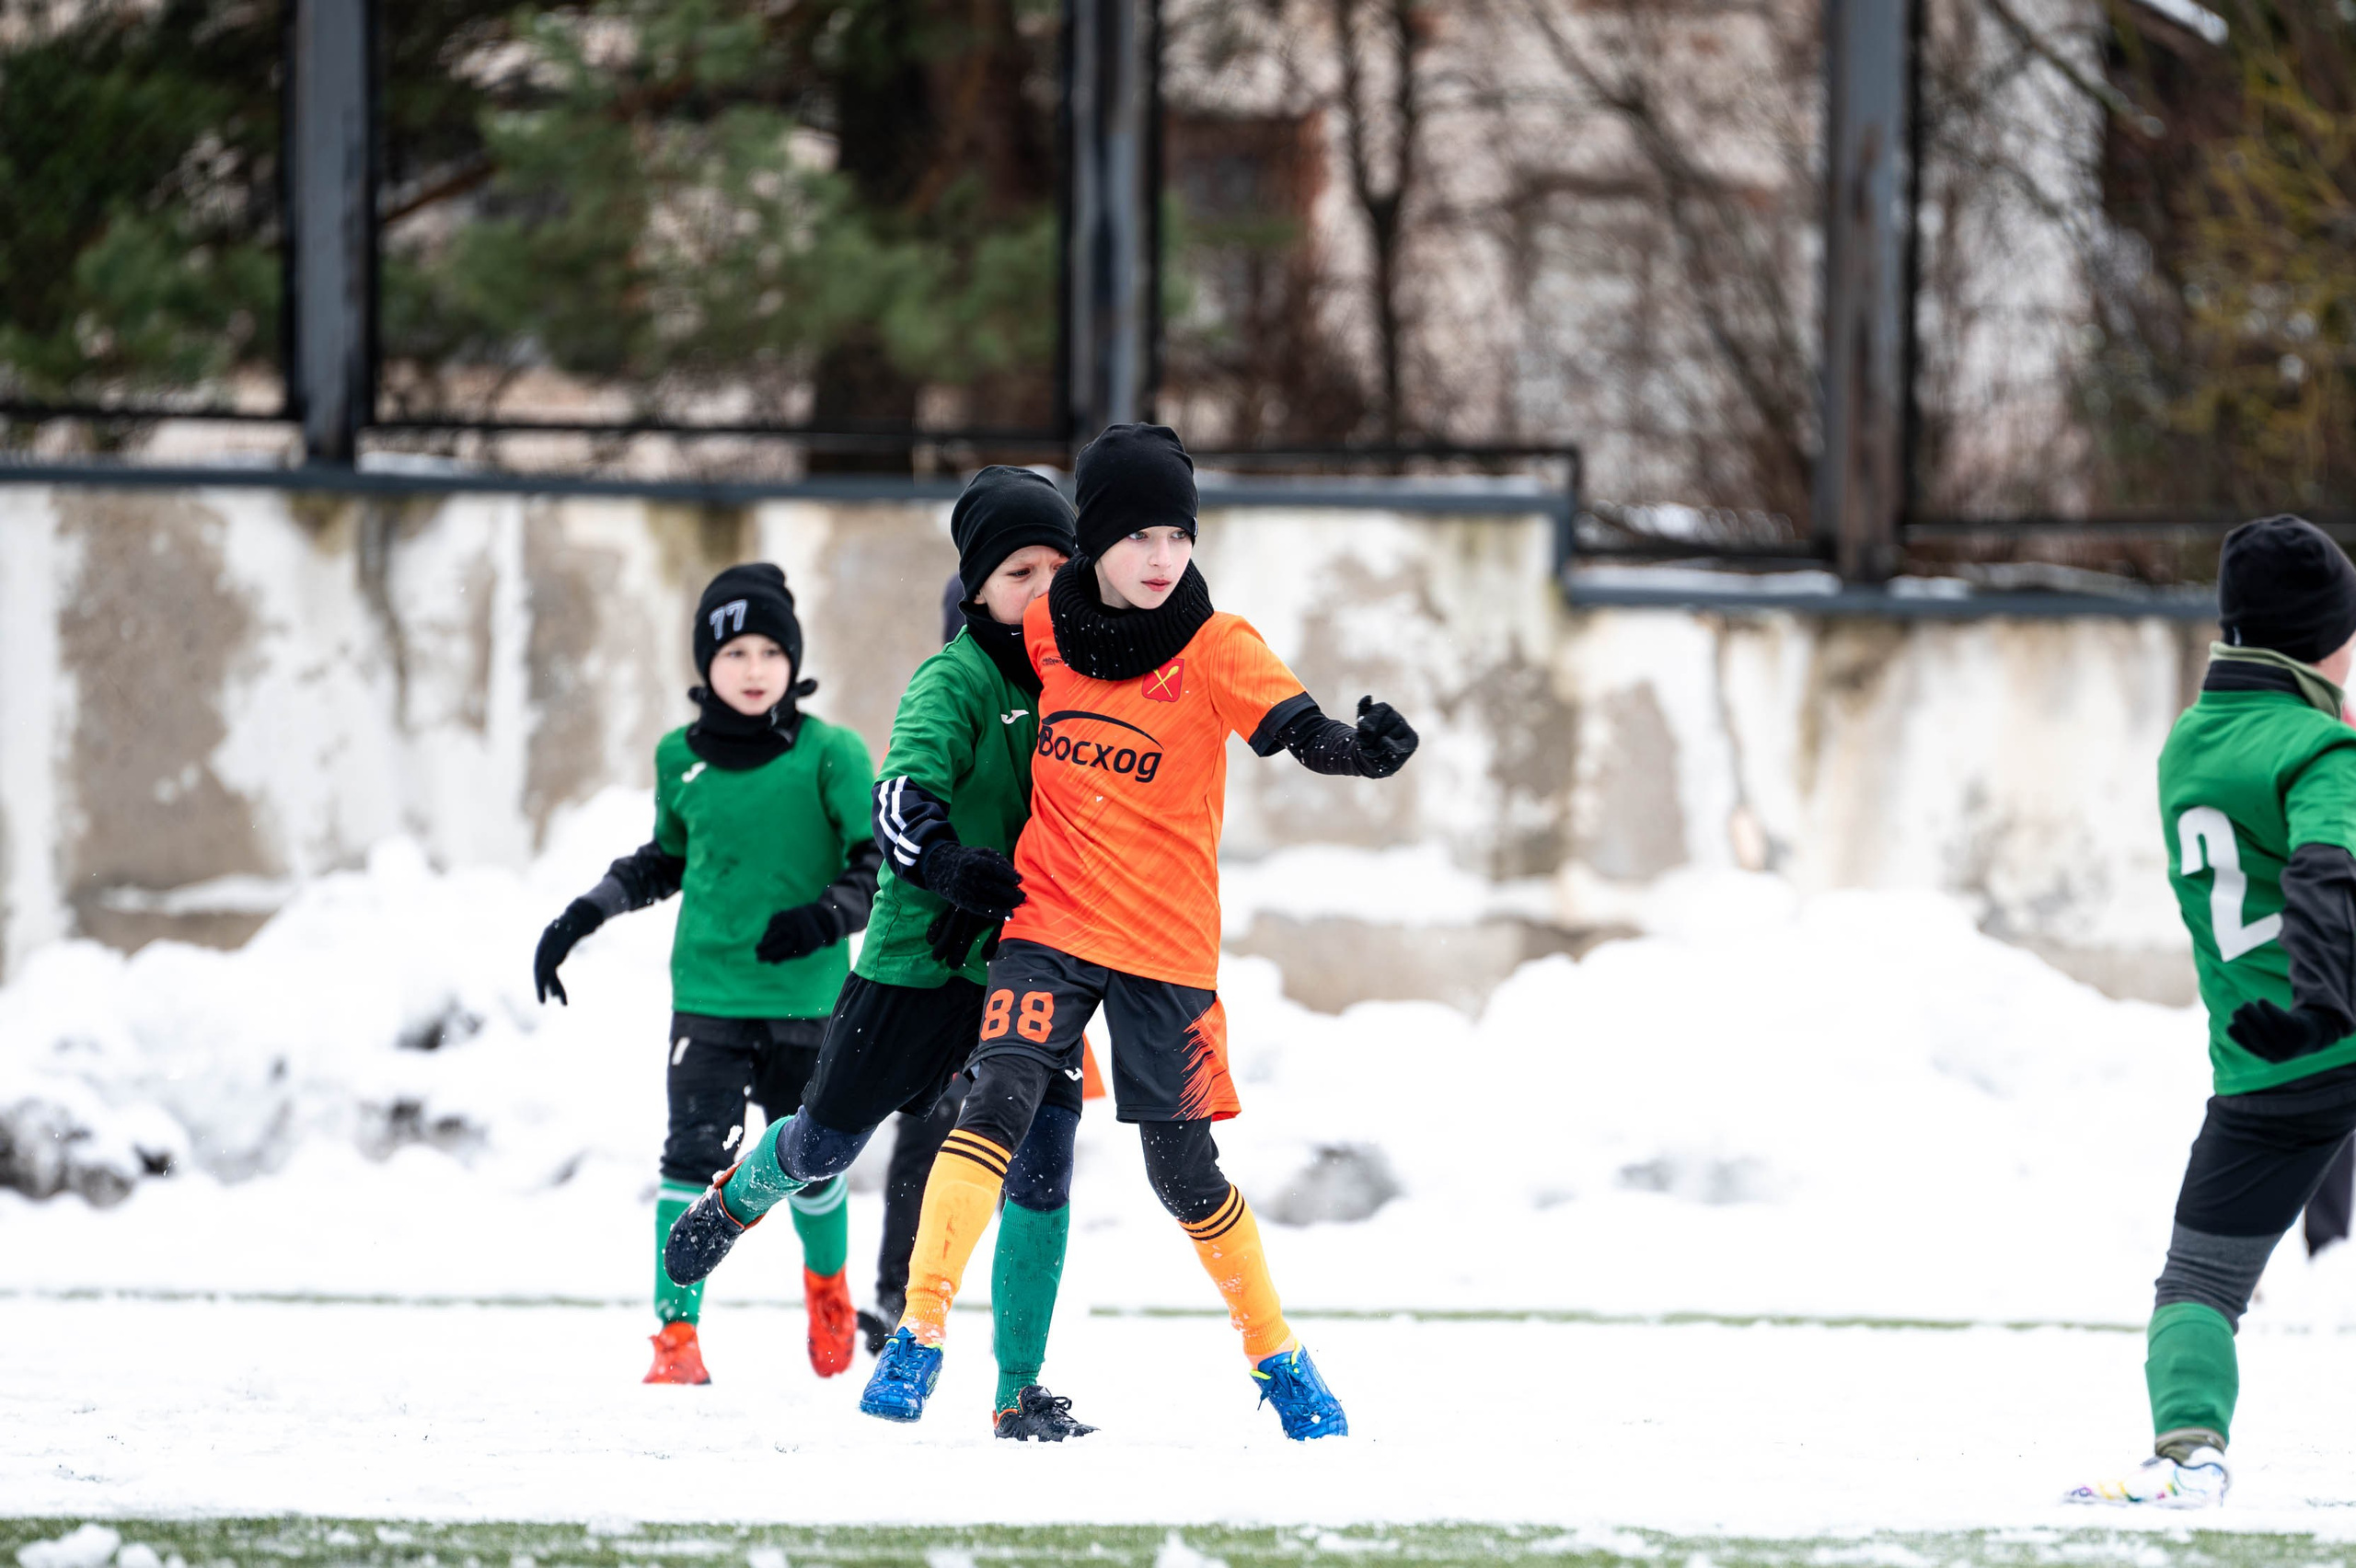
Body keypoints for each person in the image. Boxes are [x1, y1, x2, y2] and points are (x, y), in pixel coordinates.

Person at [857, 423, 1421, 1439]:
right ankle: (919, 1331)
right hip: (1047, 924)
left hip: (1165, 949)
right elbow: (977, 655)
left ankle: (1279, 1356)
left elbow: (1300, 731)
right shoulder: (1046, 629)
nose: (1163, 558)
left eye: (1179, 535)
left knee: (1183, 1172)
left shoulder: (1218, 645)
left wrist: (1360, 751)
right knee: (995, 1103)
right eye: (1139, 537)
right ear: (1095, 542)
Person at [665, 467, 1103, 1438]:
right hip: (918, 960)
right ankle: (740, 1197)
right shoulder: (952, 681)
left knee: (1043, 1162)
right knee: (826, 1143)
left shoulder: (1092, 680)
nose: (1043, 588)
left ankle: (1018, 1390)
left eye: (1058, 568)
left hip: (1036, 961)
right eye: (1019, 573)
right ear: (977, 587)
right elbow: (900, 802)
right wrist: (948, 865)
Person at [2069, 514, 2356, 1507]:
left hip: (2264, 1066)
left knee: (2199, 1281)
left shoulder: (2185, 748)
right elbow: (2326, 870)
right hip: (2330, 1023)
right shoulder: (2320, 749)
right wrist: (2324, 1001)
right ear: (2321, 641)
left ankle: (2188, 1455)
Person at [532, 564, 879, 1386]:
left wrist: (823, 918)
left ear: (793, 661)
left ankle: (827, 1290)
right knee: (689, 1162)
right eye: (734, 654)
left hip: (809, 1002)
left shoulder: (832, 755)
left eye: (770, 652)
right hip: (709, 1000)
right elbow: (666, 860)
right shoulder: (678, 758)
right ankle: (676, 1338)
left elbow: (877, 867)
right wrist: (582, 915)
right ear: (705, 665)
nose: (754, 670)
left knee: (811, 1161)